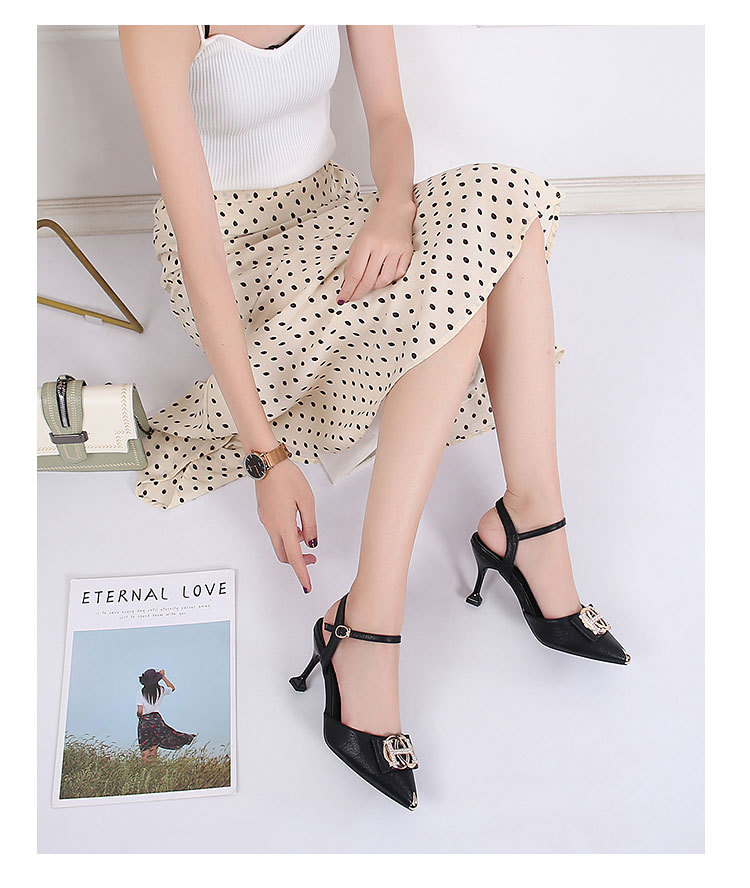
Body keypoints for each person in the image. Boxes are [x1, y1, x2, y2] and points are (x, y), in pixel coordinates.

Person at [119, 25, 629, 809]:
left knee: (510, 213)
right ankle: (367, 622)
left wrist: (394, 205)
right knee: (458, 307)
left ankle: (532, 520)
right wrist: (265, 456)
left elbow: (388, 117)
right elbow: (199, 248)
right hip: (235, 253)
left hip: (335, 206)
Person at [136, 668, 196, 761]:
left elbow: (140, 711)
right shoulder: (161, 690)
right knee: (154, 748)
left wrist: (139, 716)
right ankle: (153, 768)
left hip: (144, 722)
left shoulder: (141, 692)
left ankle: (145, 768)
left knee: (145, 750)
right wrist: (163, 677)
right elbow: (172, 688)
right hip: (156, 720)